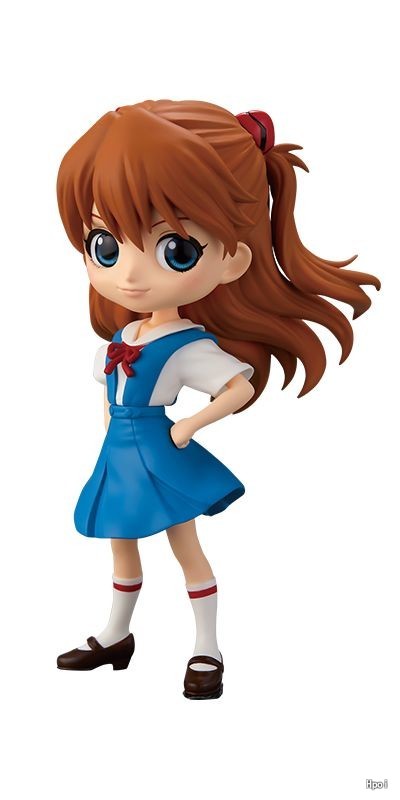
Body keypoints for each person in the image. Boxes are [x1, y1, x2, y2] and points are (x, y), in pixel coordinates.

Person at [56, 100, 380, 698]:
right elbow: (107, 390)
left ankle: (207, 647)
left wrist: (189, 427)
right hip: (118, 456)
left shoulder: (186, 344)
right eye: (105, 245)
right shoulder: (122, 338)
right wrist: (108, 432)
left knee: (185, 547)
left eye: (175, 249)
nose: (129, 275)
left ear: (232, 260)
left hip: (162, 455)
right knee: (120, 546)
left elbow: (239, 387)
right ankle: (116, 634)